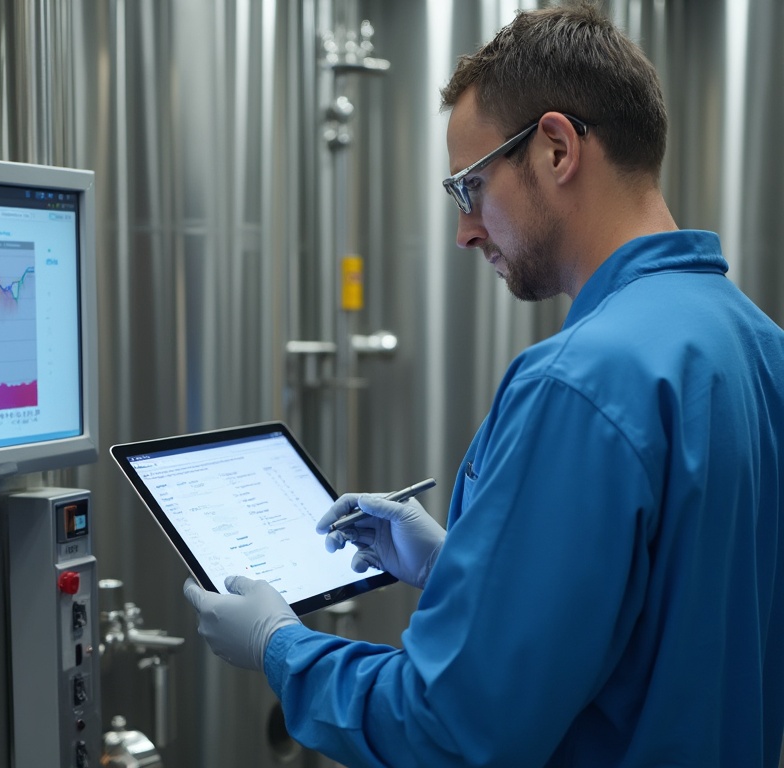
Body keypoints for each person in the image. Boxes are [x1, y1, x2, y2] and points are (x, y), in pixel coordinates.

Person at [183, 2, 784, 765]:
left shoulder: (580, 383)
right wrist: (456, 566)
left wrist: (279, 647)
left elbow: (450, 732)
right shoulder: (758, 344)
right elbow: (668, 621)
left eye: (469, 187)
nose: (466, 230)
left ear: (557, 148)